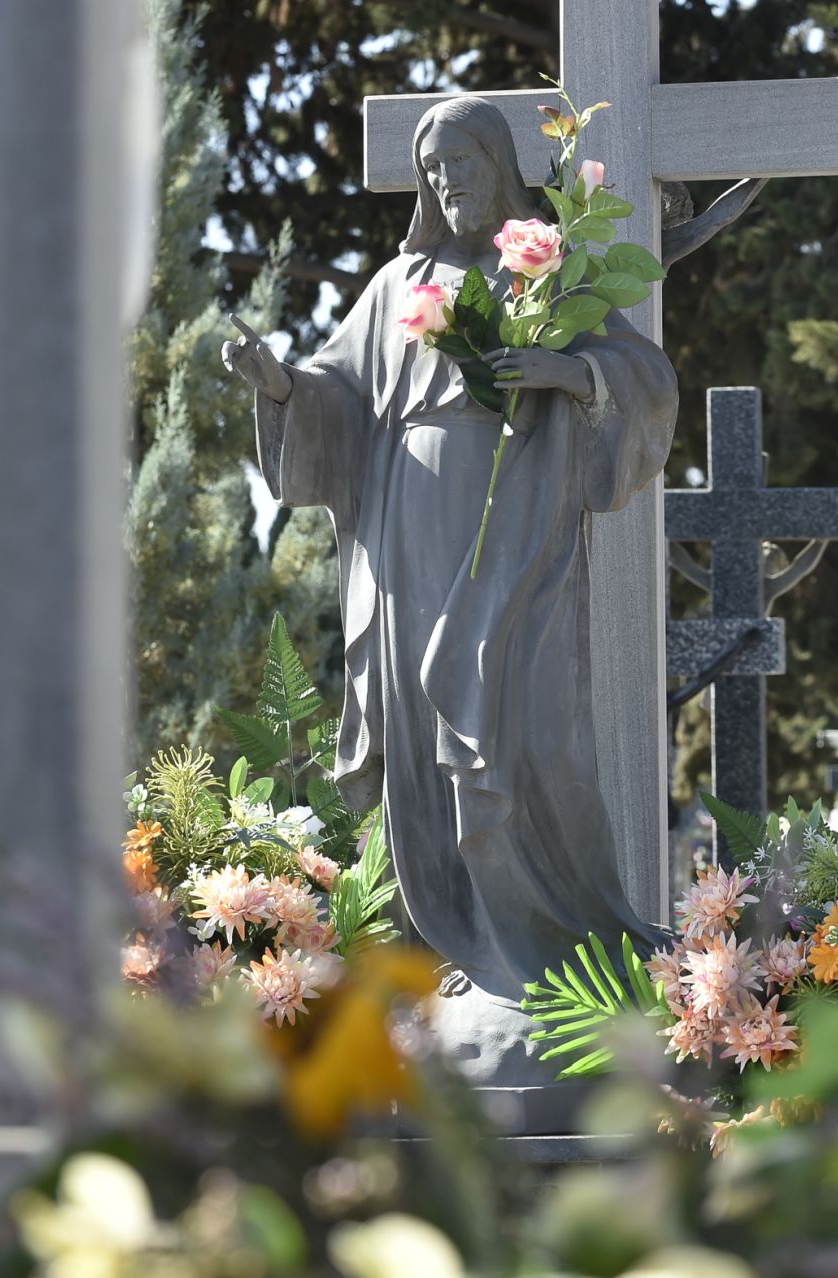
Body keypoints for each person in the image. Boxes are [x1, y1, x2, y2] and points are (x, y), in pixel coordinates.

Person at [221, 96, 678, 1083]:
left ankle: (558, 943)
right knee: (421, 722)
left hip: (515, 526)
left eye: (462, 161)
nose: (447, 182)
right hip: (408, 526)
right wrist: (282, 389)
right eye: (433, 170)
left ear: (502, 165)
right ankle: (456, 945)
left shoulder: (545, 267)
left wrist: (565, 372)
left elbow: (642, 377)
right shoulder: (398, 283)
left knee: (524, 725)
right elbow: (340, 391)